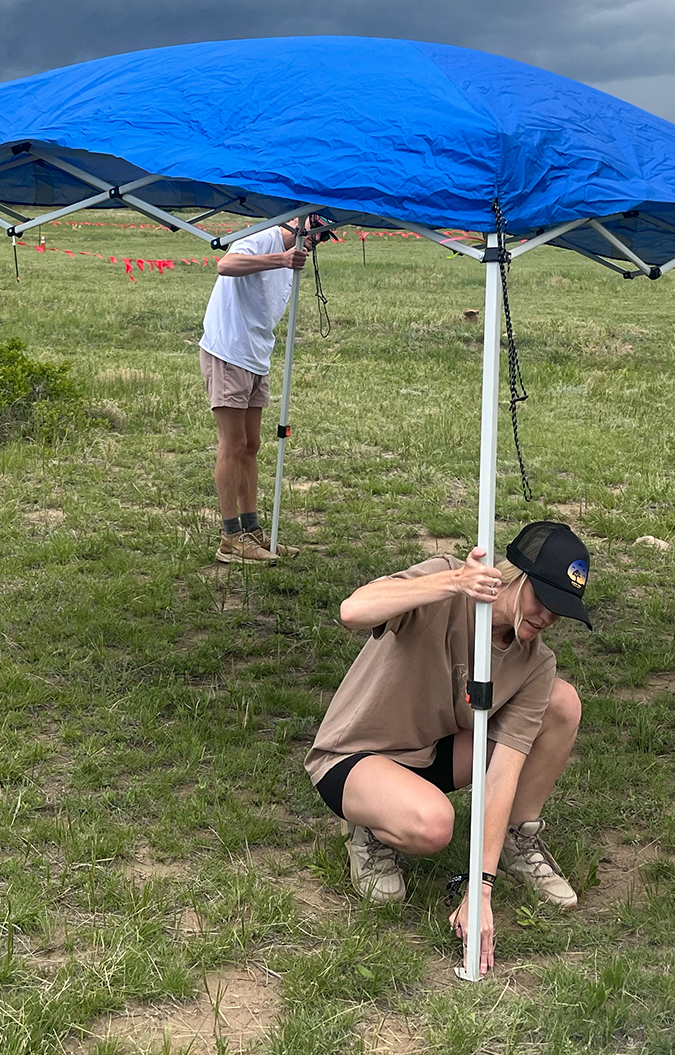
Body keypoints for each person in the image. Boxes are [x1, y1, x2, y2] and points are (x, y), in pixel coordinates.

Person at [308, 521, 589, 975]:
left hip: (431, 755)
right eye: (544, 600)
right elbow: (353, 609)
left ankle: (517, 840)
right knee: (435, 825)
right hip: (355, 755)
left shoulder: (534, 662)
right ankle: (368, 828)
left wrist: (481, 888)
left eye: (561, 612)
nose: (547, 618)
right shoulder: (446, 580)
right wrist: (451, 582)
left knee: (562, 702)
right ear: (516, 577)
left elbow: (503, 773)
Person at [199, 216, 320, 564]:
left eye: (322, 240)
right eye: (314, 234)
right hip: (228, 350)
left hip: (256, 356)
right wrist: (280, 259)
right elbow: (226, 264)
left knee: (251, 445)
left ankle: (252, 531)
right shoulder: (263, 237)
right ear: (299, 224)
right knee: (233, 443)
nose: (314, 243)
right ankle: (229, 537)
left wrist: (288, 263)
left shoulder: (294, 259)